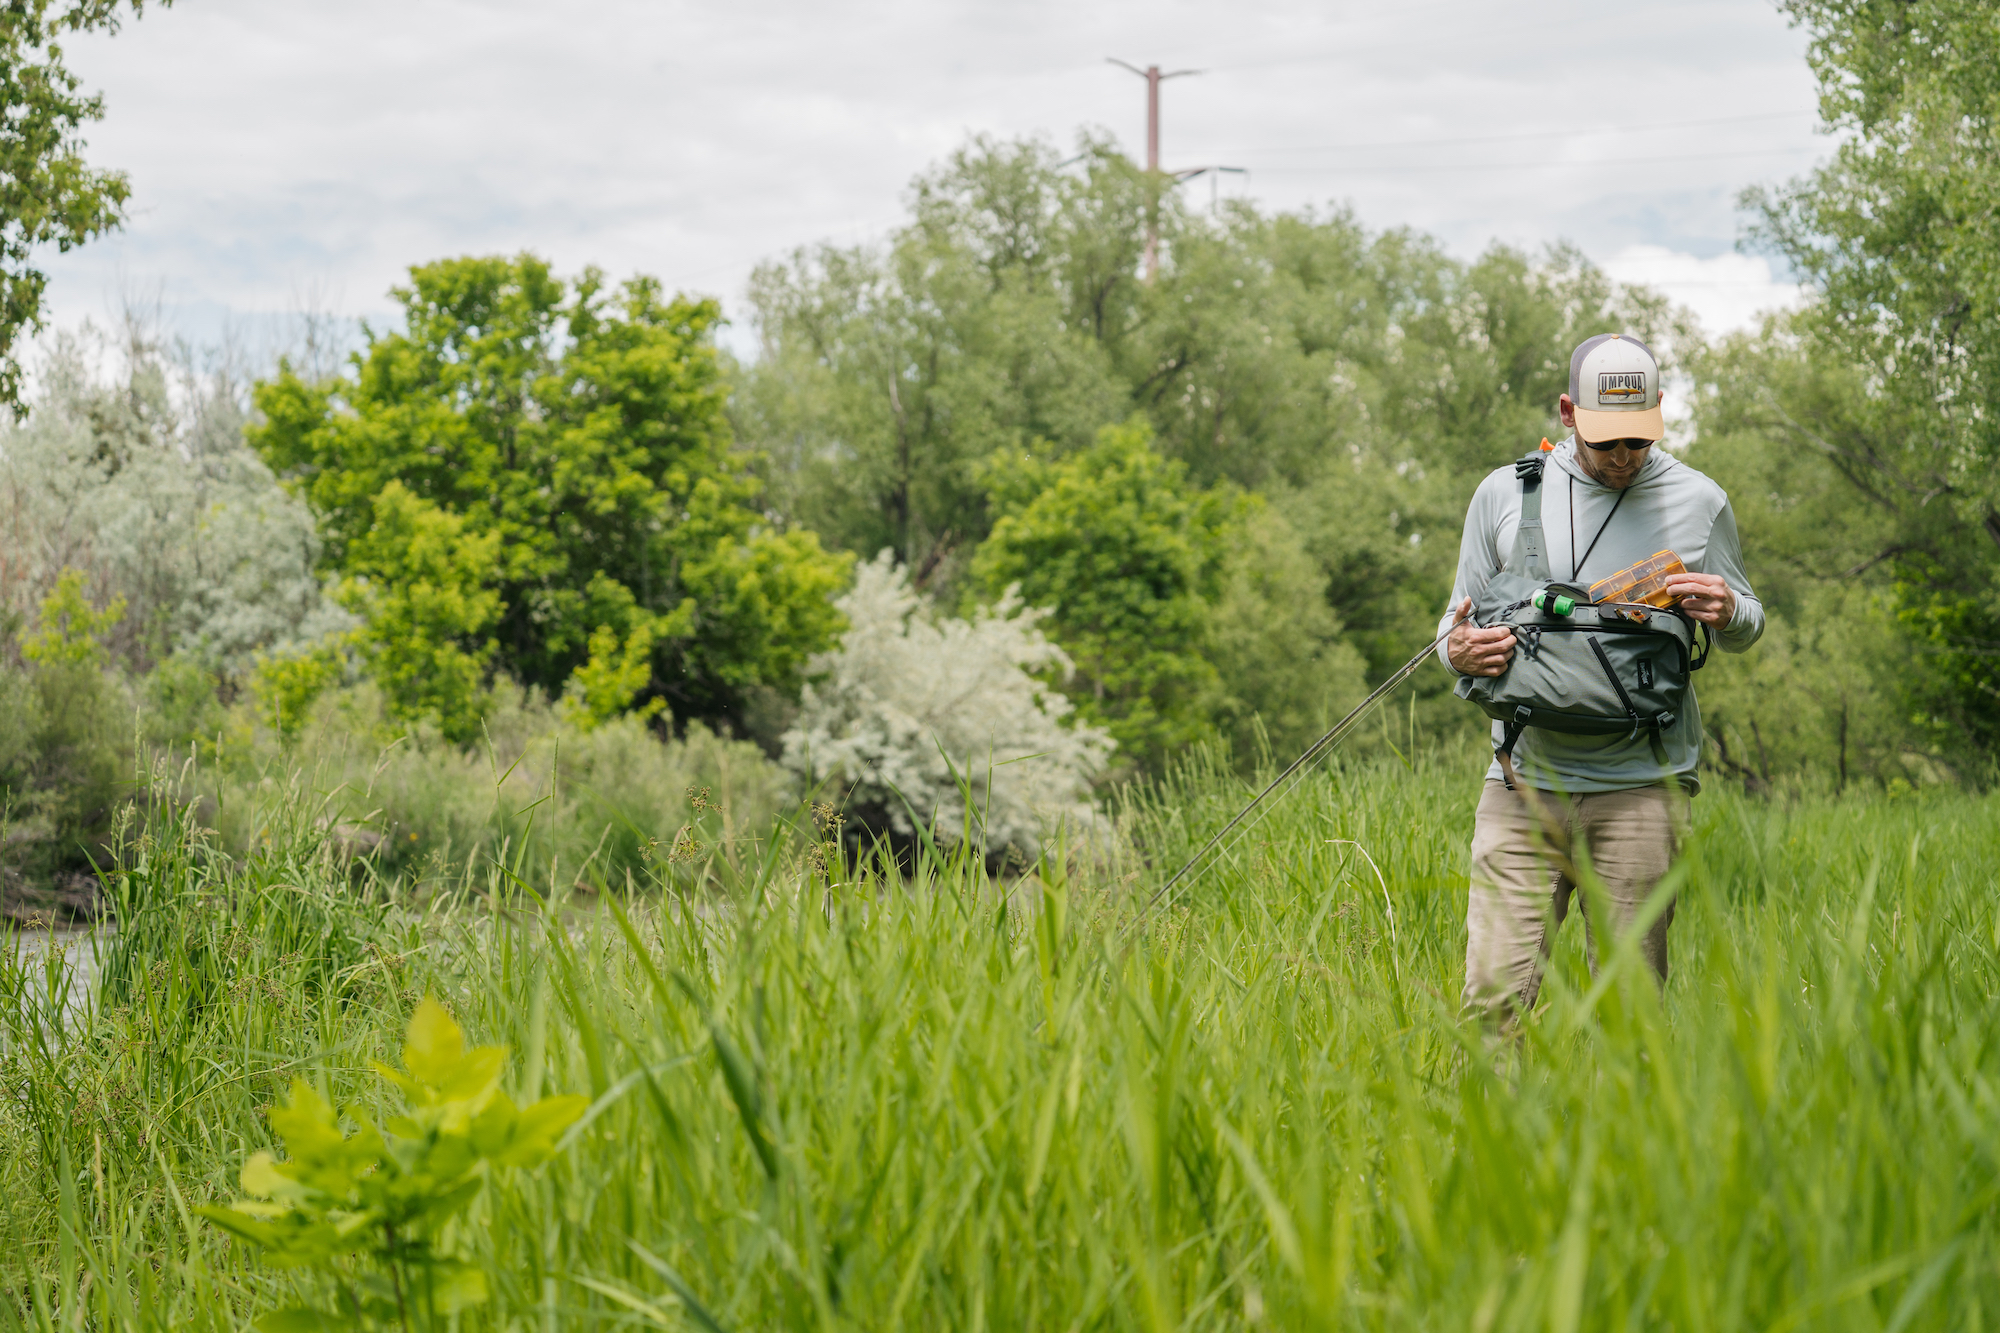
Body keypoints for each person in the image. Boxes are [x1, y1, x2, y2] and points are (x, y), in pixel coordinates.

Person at [1438, 333, 1763, 1028]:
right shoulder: (1504, 493)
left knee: (1629, 1019)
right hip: (1520, 787)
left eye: (1637, 443)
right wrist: (1458, 652)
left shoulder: (1700, 501)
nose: (1622, 459)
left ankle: (1625, 1140)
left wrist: (1730, 611)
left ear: (1660, 417)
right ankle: (1497, 1138)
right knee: (1492, 1010)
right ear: (1566, 412)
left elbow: (1750, 621)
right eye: (1606, 442)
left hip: (1641, 795)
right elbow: (1451, 625)